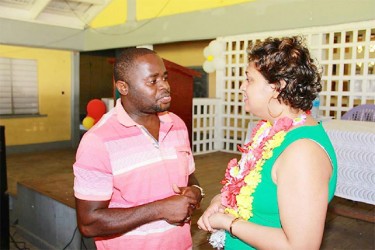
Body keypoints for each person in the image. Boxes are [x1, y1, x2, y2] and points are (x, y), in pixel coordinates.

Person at [197, 36, 337, 249]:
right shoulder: (268, 129)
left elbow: (300, 246)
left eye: (250, 79)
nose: (242, 87)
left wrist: (228, 223)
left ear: (277, 87)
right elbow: (257, 195)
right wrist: (221, 201)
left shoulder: (302, 152)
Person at [73, 48, 204, 249]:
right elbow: (89, 224)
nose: (165, 86)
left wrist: (196, 190)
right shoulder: (98, 141)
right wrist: (160, 209)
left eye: (165, 78)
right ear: (123, 87)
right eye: (153, 81)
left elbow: (189, 176)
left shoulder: (176, 124)